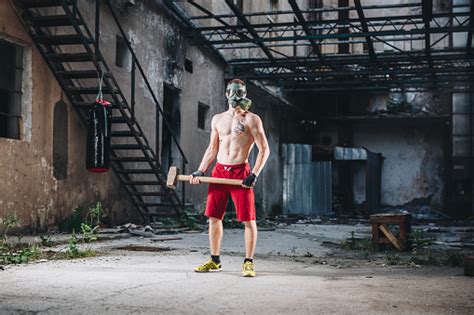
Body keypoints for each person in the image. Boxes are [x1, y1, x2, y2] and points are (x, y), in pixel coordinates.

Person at [190, 79, 270, 277]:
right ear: (226, 94)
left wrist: (254, 174)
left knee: (248, 219)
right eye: (232, 92)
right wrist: (200, 170)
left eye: (240, 93)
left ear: (245, 94)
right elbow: (212, 148)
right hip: (219, 172)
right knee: (214, 217)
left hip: (240, 173)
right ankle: (215, 261)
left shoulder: (252, 119)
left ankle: (248, 262)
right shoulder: (217, 119)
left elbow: (264, 150)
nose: (236, 96)